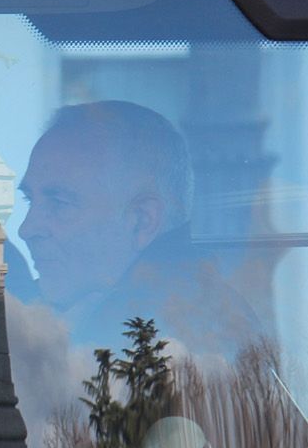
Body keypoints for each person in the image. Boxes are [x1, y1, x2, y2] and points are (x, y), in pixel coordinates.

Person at [17, 100, 260, 364]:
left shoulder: (138, 331)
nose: (26, 229)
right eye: (30, 200)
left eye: (59, 203)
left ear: (141, 221)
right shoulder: (202, 304)